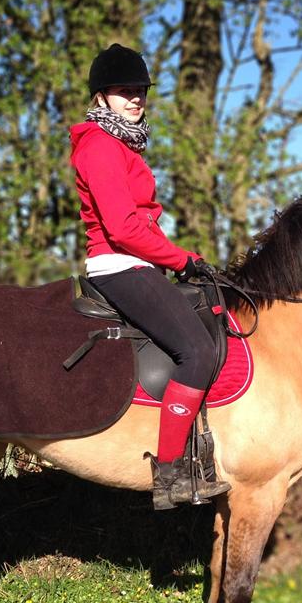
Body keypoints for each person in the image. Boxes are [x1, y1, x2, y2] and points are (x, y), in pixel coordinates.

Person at [69, 43, 230, 510]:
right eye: (124, 91)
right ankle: (171, 474)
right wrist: (180, 259)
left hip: (136, 261)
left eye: (140, 90)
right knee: (197, 351)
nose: (136, 99)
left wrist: (185, 257)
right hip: (118, 265)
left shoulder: (121, 145)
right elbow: (122, 227)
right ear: (101, 98)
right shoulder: (100, 146)